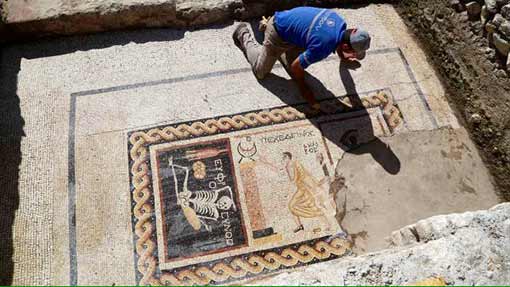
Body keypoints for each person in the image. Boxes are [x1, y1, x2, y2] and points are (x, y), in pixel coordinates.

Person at [233, 7, 371, 112]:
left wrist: (344, 57)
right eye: (353, 53)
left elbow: (338, 44)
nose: (353, 56)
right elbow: (296, 67)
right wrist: (304, 89)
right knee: (261, 71)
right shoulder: (323, 47)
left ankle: (280, 51)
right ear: (346, 46)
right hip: (277, 32)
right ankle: (243, 32)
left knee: (295, 60)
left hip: (291, 24)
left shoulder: (339, 22)